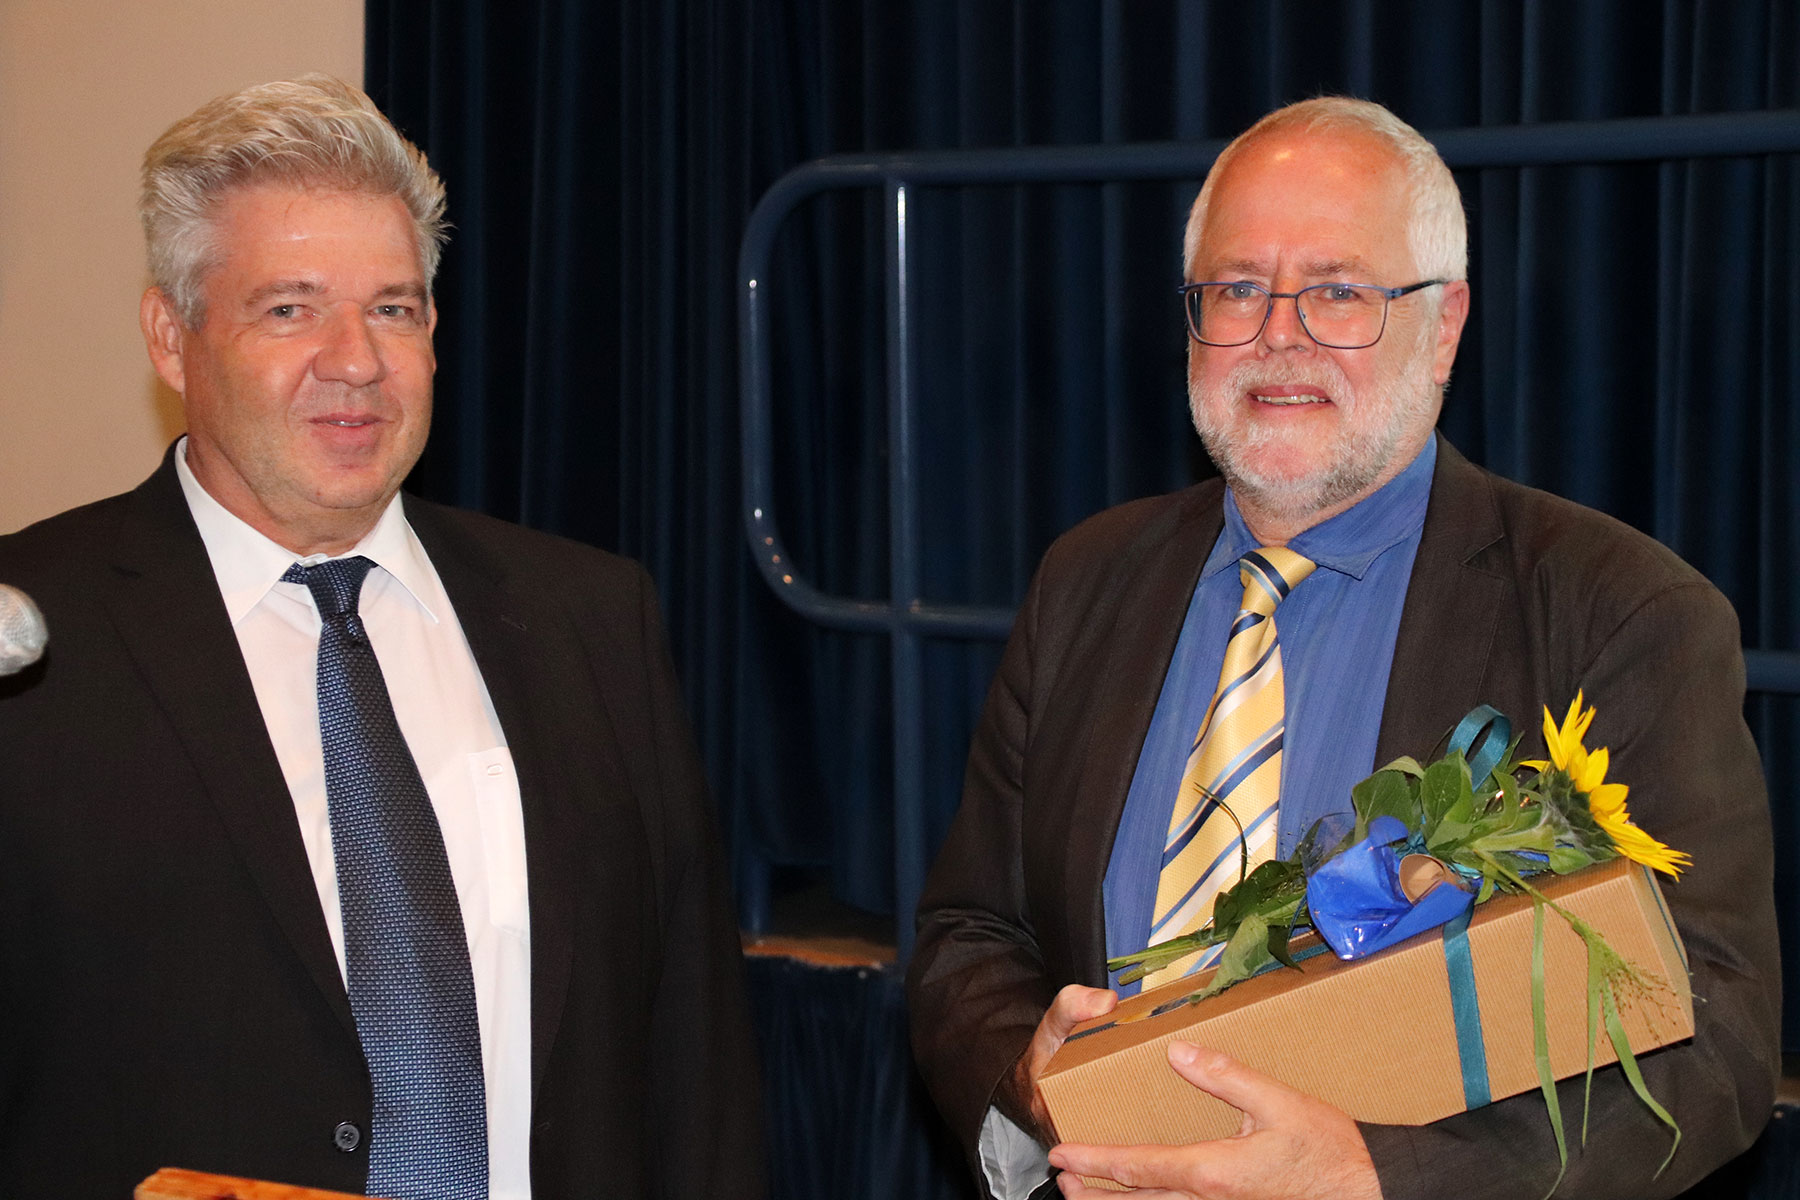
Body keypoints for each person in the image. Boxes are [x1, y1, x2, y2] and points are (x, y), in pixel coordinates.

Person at [905, 97, 1779, 1200]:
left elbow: (1717, 1038)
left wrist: (1381, 1179)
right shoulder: (1087, 579)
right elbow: (968, 932)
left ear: (1445, 324)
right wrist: (1035, 1083)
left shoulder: (1620, 612)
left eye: (1337, 291)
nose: (1279, 333)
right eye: (1237, 289)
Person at [0, 76, 762, 1200]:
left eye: (395, 308)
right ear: (172, 337)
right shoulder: (31, 638)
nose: (356, 359)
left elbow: (694, 1069)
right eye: (290, 307)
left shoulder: (590, 620)